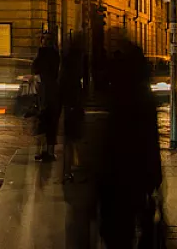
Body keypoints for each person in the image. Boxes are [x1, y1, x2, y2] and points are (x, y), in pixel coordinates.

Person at [96, 39, 163, 249]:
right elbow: (151, 140)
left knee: (117, 232)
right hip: (138, 174)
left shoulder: (117, 97)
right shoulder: (144, 96)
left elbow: (108, 140)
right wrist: (155, 177)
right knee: (136, 225)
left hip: (116, 174)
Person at [60, 32, 87, 181]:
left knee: (70, 139)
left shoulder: (69, 61)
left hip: (70, 105)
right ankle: (71, 168)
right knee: (73, 138)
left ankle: (69, 168)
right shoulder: (76, 62)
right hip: (73, 105)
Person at [31, 32, 61, 162]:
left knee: (42, 120)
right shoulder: (56, 54)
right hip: (54, 91)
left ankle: (43, 150)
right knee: (52, 123)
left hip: (43, 90)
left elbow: (35, 68)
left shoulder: (42, 53)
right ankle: (50, 151)